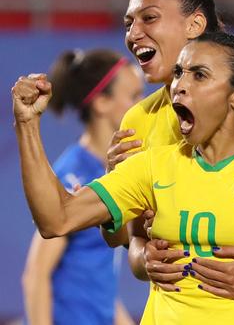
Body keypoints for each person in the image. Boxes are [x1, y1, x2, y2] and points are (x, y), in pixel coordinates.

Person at [13, 32, 234, 324]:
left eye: (200, 75)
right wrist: (27, 124)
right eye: (179, 73)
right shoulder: (153, 166)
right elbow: (57, 218)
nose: (179, 86)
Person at [103, 0, 234, 298]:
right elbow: (130, 240)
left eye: (149, 18)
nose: (133, 34)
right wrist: (144, 259)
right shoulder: (138, 119)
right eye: (128, 24)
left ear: (194, 25)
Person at [21, 49, 142, 325]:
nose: (142, 105)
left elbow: (100, 284)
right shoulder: (72, 174)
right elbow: (36, 275)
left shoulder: (110, 172)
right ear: (101, 103)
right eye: (133, 96)